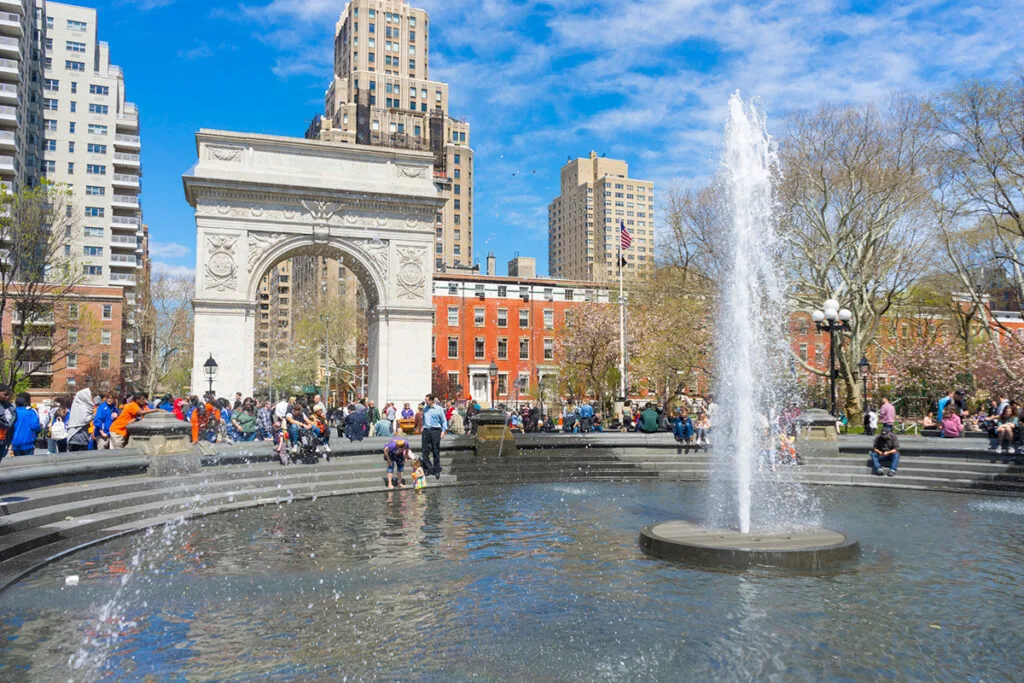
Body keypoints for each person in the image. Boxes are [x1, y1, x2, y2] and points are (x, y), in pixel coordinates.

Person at [421, 394, 448, 479]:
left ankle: (437, 470)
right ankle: (429, 468)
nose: (425, 402)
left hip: (436, 430)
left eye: (427, 401)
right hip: (426, 430)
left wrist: (443, 431)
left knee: (435, 451)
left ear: (432, 400)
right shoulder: (425, 409)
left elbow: (444, 421)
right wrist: (423, 426)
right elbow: (424, 419)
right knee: (424, 451)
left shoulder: (439, 409)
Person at [0, 384, 15, 461]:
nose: (7, 397)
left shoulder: (10, 407)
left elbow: (11, 423)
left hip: (4, 440)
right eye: (5, 394)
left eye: (9, 395)